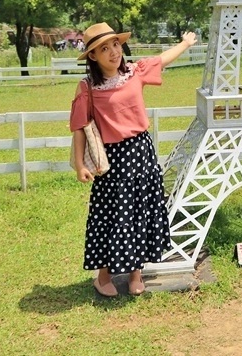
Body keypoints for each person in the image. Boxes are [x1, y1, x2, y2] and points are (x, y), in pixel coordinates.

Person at [69, 23, 197, 298]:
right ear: (93, 56)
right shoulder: (88, 87)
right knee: (112, 216)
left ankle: (136, 273)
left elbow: (162, 59)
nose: (113, 52)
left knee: (140, 213)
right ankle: (103, 276)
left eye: (115, 44)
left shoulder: (134, 72)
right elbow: (80, 127)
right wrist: (80, 164)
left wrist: (185, 43)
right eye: (104, 49)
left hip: (142, 152)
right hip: (113, 161)